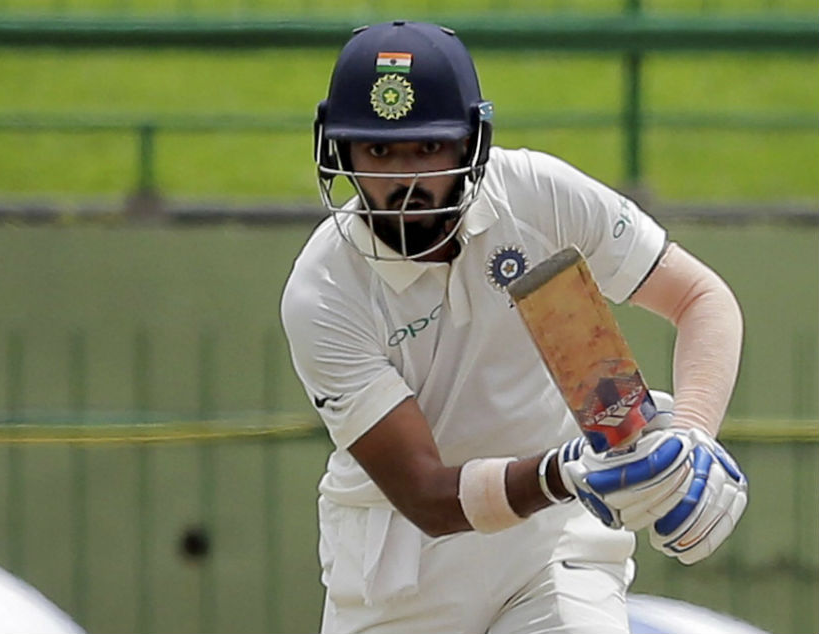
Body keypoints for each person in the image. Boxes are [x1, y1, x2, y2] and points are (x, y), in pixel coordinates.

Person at [281, 20, 748, 634]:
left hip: (553, 547)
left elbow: (700, 298)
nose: (405, 180)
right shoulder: (324, 289)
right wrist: (566, 471)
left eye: (429, 148)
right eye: (379, 152)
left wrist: (692, 441)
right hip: (401, 564)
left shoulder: (536, 195)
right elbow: (426, 493)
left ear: (471, 144)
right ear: (340, 152)